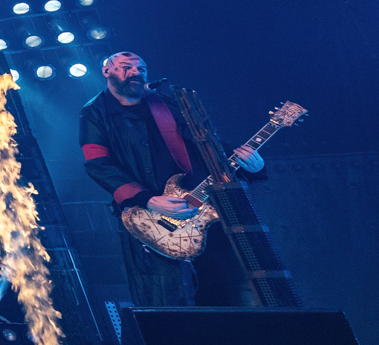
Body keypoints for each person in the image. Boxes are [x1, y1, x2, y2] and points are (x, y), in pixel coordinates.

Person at [79, 51, 263, 307]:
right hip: (154, 219)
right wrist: (148, 199)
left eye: (141, 68)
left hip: (208, 207)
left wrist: (252, 167)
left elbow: (209, 145)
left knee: (236, 291)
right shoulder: (94, 113)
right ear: (106, 71)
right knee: (171, 301)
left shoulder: (170, 103)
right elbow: (98, 164)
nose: (136, 72)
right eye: (126, 67)